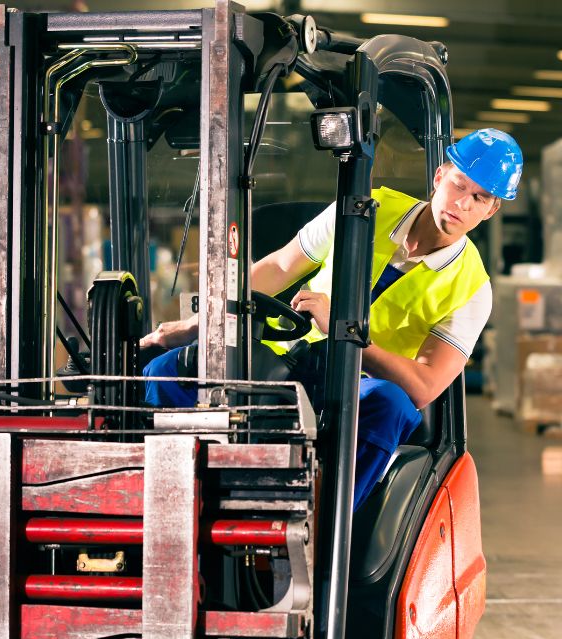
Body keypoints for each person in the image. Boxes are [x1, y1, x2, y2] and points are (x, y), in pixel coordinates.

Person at [141, 128, 523, 509]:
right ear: (440, 176)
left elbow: (424, 385)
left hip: (354, 385)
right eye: (459, 185)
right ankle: (176, 506)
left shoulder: (473, 289)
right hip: (281, 358)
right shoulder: (364, 207)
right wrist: (201, 325)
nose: (464, 204)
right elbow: (279, 266)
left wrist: (346, 330)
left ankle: (321, 530)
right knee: (166, 371)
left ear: (492, 209)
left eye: (480, 198)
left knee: (391, 406)